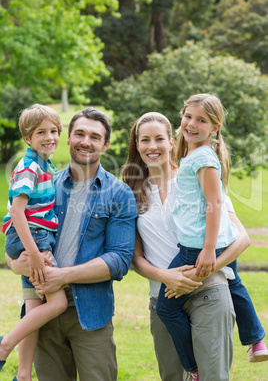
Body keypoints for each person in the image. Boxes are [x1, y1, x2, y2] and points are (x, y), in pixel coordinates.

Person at [122, 110, 267, 381]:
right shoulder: (132, 192)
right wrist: (166, 276)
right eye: (144, 140)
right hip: (162, 298)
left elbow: (241, 238)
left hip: (209, 292)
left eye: (159, 139)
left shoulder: (196, 176)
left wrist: (198, 272)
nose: (152, 146)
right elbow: (136, 257)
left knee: (213, 377)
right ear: (137, 145)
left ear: (171, 141)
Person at [6, 107, 137, 381]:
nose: (85, 141)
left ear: (106, 144)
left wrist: (61, 276)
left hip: (89, 314)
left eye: (94, 136)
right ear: (68, 138)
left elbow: (120, 260)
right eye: (79, 133)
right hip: (44, 311)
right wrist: (15, 262)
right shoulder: (46, 181)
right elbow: (16, 228)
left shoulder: (119, 193)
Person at [1, 104, 68, 381]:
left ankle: (24, 374)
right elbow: (17, 212)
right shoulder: (29, 167)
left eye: (54, 131)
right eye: (41, 132)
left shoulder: (43, 164)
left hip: (33, 236)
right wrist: (35, 253)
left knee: (34, 306)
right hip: (32, 236)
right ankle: (4, 344)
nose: (50, 137)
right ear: (28, 138)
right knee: (58, 303)